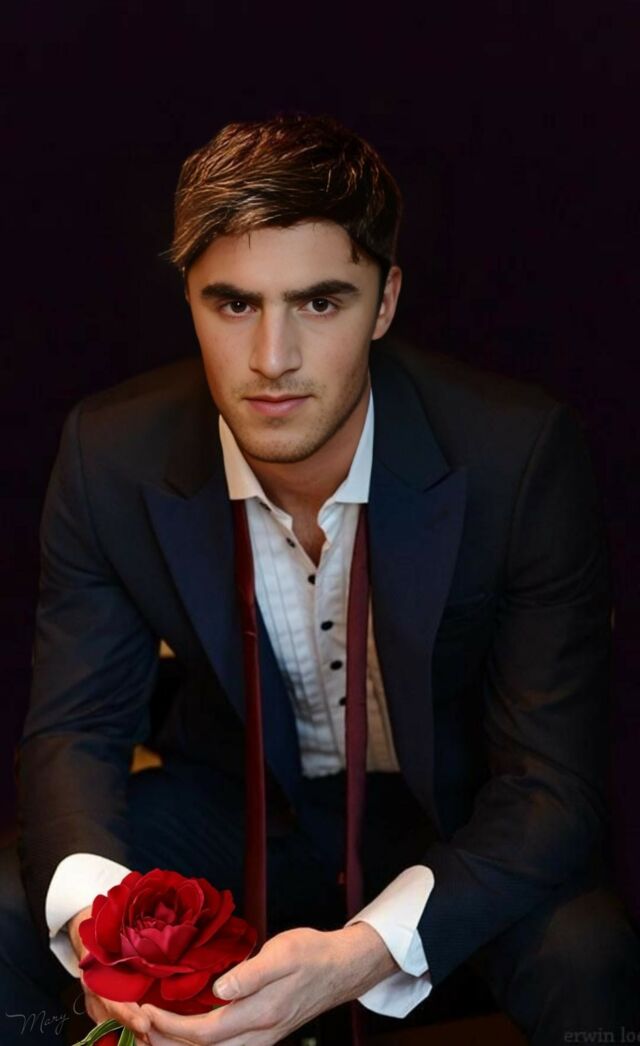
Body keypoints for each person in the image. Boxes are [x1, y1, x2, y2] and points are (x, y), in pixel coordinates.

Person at [2, 113, 640, 1046]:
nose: (273, 359)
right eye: (234, 304)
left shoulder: (518, 456)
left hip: (455, 822)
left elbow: (552, 785)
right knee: (13, 906)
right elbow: (76, 730)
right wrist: (110, 944)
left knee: (589, 958)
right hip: (234, 808)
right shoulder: (111, 455)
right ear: (189, 299)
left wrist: (358, 956)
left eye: (320, 303)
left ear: (384, 303)